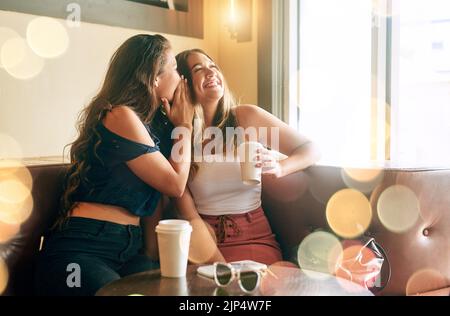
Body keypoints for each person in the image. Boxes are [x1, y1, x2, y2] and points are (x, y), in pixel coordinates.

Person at [34, 34, 194, 296]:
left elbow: (155, 202)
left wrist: (150, 260)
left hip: (130, 249)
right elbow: (175, 184)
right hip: (83, 249)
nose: (180, 78)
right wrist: (184, 127)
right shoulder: (120, 115)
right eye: (175, 69)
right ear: (154, 77)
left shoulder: (154, 128)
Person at [174, 49, 321, 265]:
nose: (210, 71)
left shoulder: (245, 117)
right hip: (204, 240)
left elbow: (311, 148)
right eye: (198, 69)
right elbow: (189, 216)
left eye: (212, 65)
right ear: (184, 84)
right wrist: (220, 267)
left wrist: (281, 167)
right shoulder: (180, 134)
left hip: (254, 236)